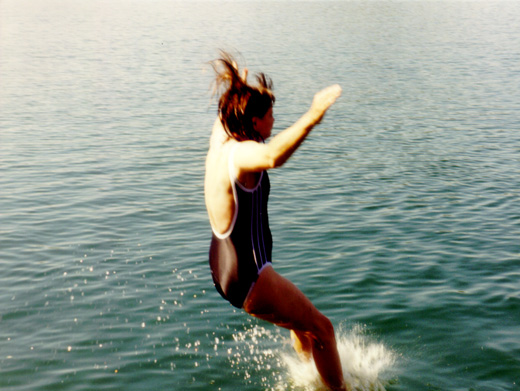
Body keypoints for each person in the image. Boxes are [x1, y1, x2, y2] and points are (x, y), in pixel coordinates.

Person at [204, 52, 345, 391]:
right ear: (254, 122)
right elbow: (272, 156)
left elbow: (227, 111)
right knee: (322, 328)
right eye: (270, 115)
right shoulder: (241, 155)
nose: (273, 120)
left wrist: (238, 81)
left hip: (225, 270)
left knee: (301, 325)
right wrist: (313, 116)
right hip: (249, 276)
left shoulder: (222, 139)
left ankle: (309, 375)